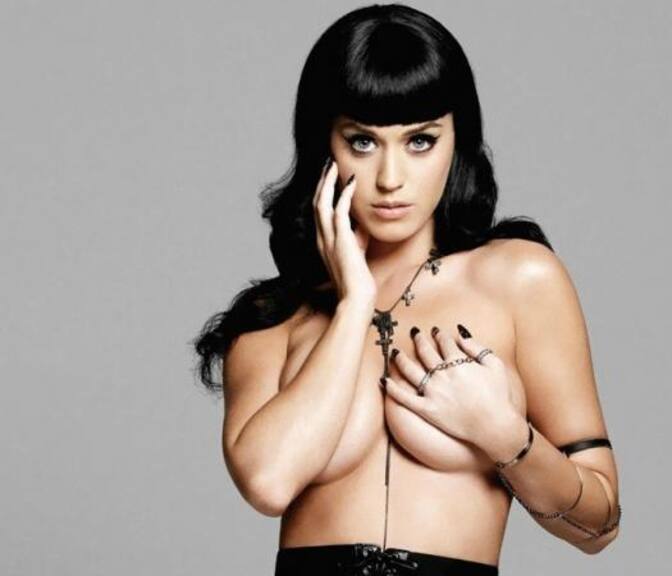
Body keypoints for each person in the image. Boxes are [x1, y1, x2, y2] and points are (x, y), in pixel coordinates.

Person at [192, 4, 621, 574]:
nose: (391, 179)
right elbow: (268, 483)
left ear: (457, 140)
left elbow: (599, 525)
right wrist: (354, 305)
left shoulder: (518, 280)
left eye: (420, 141)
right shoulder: (274, 320)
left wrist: (504, 436)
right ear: (325, 144)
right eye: (362, 142)